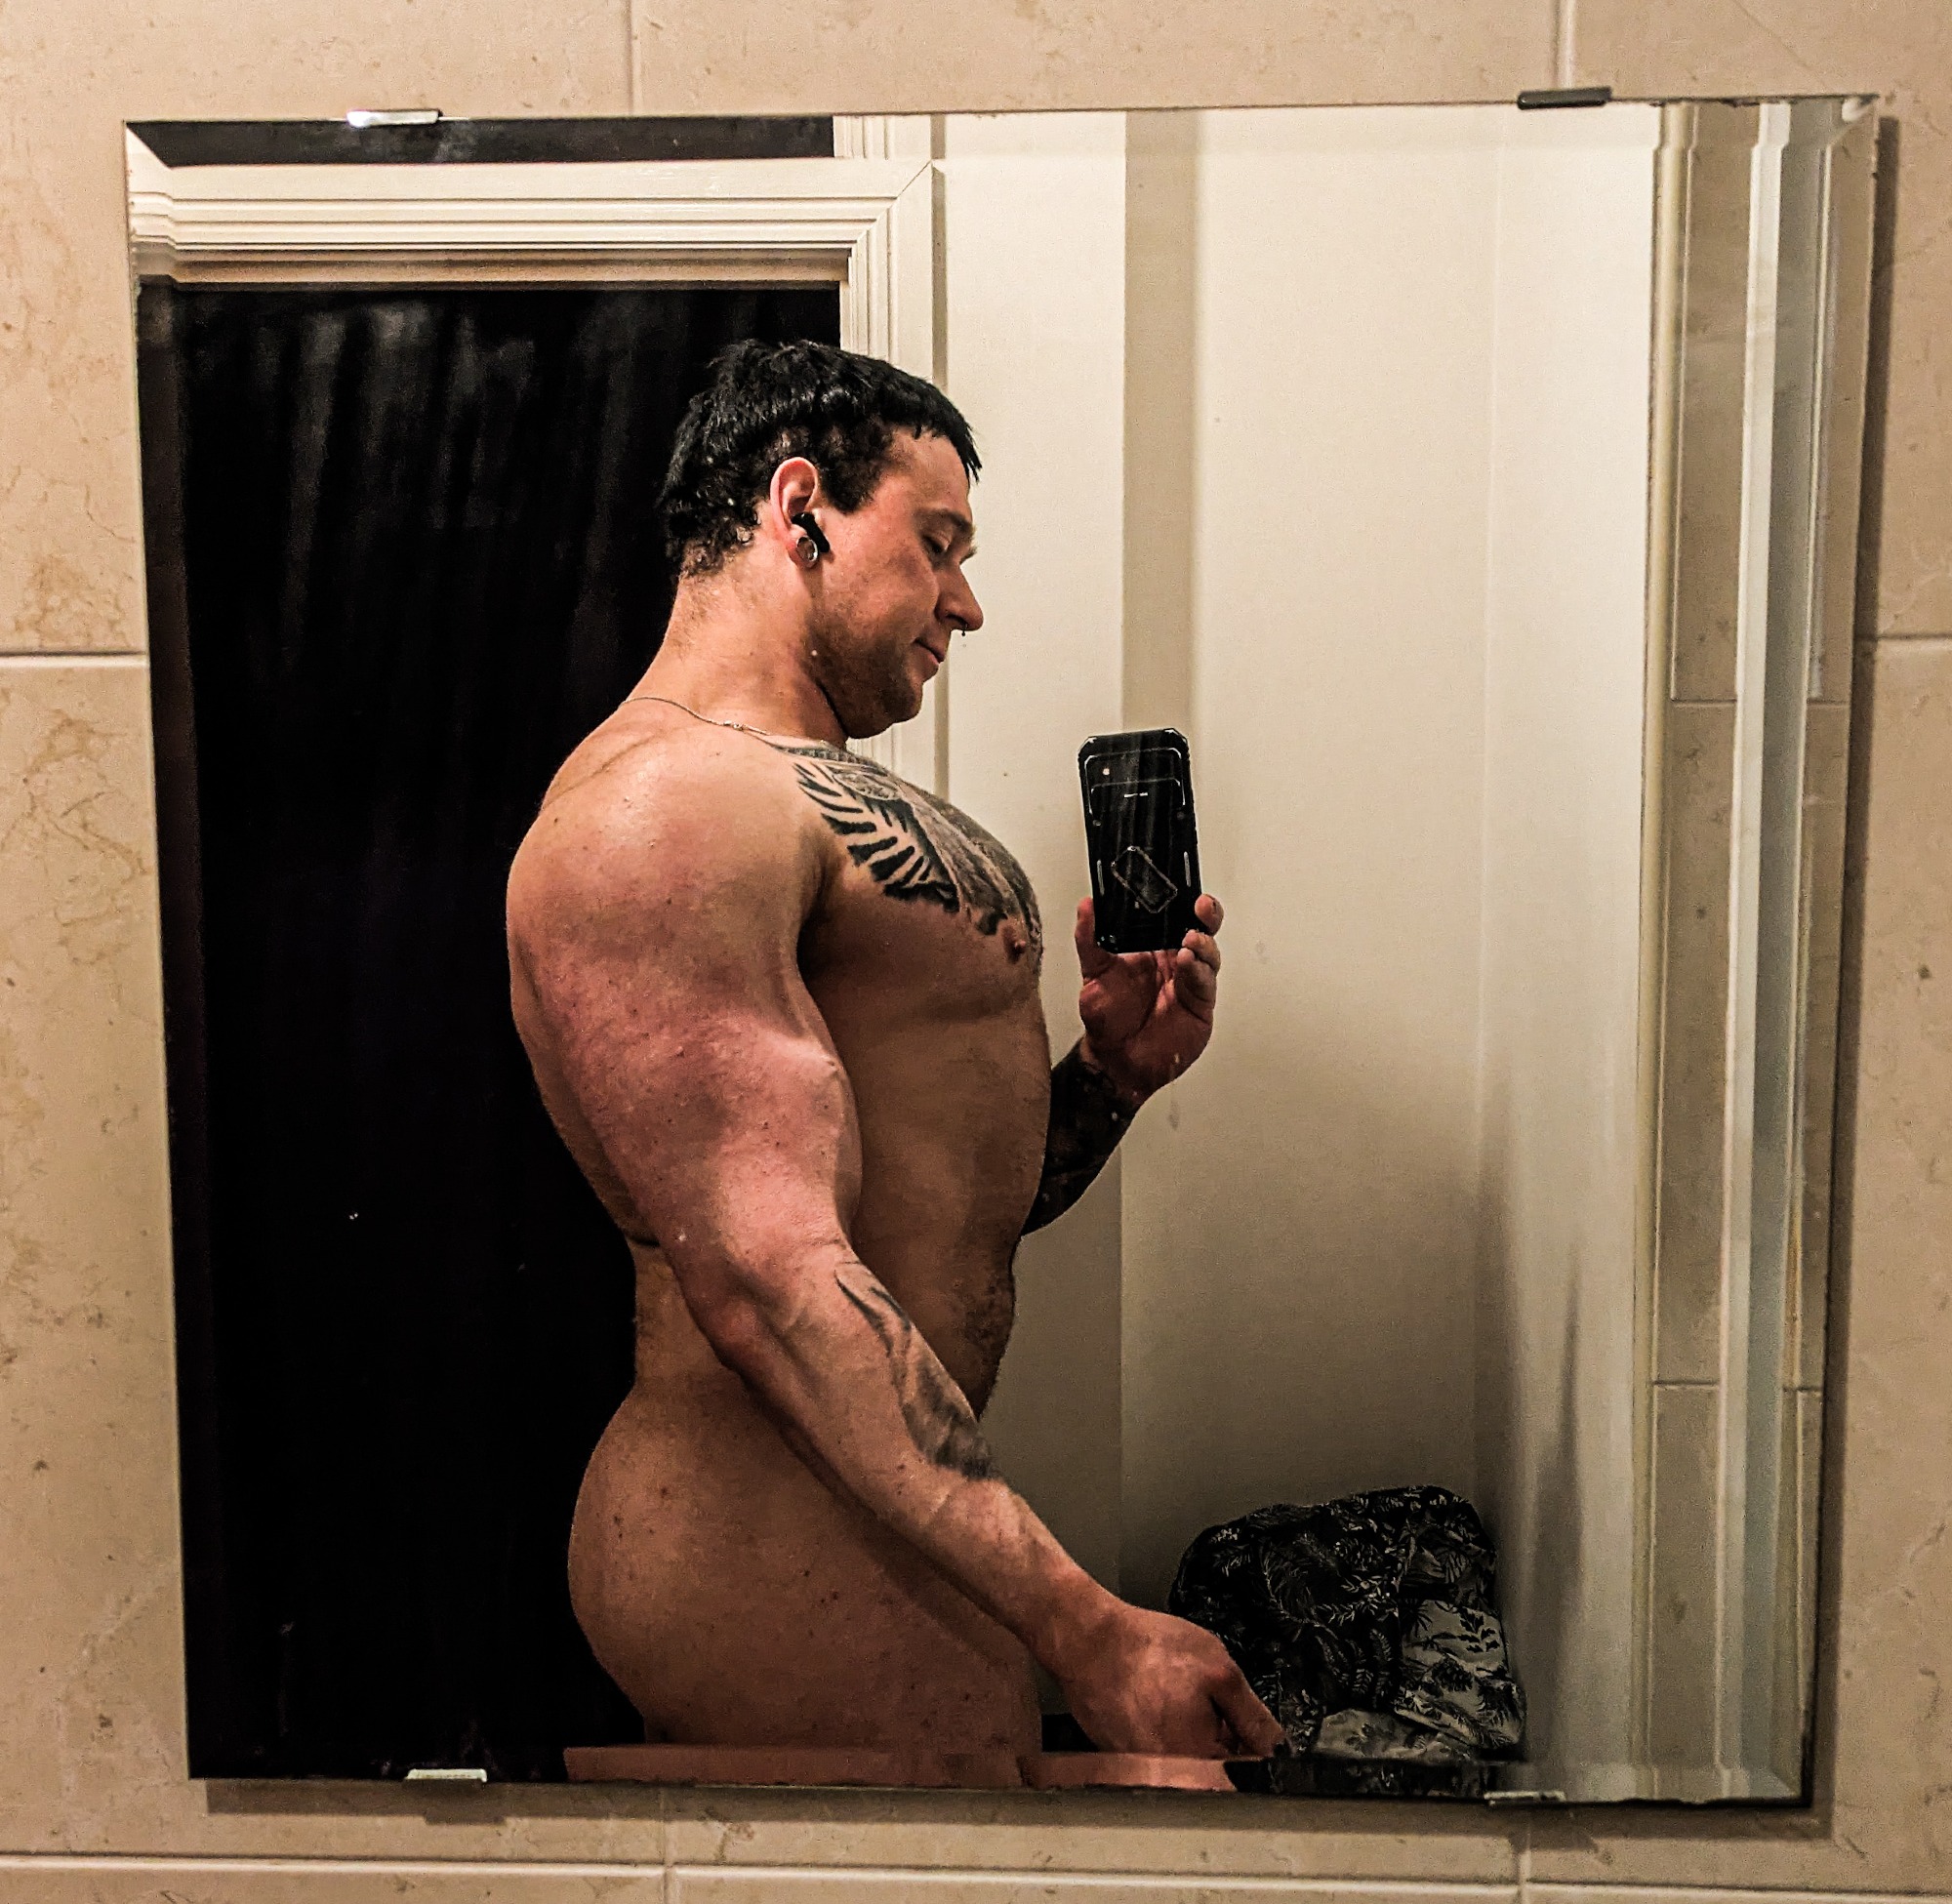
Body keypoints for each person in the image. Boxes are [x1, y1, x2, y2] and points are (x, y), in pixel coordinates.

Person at [506, 340, 1281, 1763]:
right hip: (765, 1537)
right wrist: (1090, 1626)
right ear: (800, 509)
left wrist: (1110, 1079)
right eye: (938, 545)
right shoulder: (660, 812)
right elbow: (769, 1274)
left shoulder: (791, 795)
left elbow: (943, 1211)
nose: (965, 603)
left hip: (883, 1520)